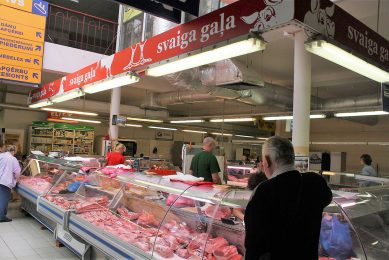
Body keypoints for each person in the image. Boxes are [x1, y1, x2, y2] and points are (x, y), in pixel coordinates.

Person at [244, 136, 332, 260]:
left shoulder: (263, 191)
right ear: (292, 158)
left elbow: (254, 245)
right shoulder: (316, 182)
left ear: (268, 161)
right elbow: (327, 198)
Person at [0, 145, 21, 222]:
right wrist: (17, 178)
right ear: (13, 151)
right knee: (3, 199)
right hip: (5, 182)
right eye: (15, 152)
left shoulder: (1, 155)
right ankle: (1, 217)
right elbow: (17, 172)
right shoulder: (13, 159)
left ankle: (3, 214)